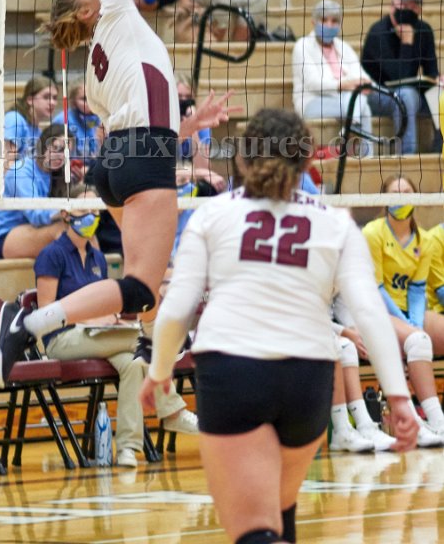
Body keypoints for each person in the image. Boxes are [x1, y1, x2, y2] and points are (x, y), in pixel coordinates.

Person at [0, 0, 235, 389]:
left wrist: (191, 124)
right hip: (139, 160)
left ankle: (156, 373)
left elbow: (133, 129)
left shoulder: (98, 66)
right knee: (143, 287)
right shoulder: (117, 9)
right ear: (85, 10)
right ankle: (29, 324)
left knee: (150, 287)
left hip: (118, 166)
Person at [140, 107, 417, 544]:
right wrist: (399, 396)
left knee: (253, 530)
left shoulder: (211, 215)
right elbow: (369, 311)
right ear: (306, 161)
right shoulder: (336, 222)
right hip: (308, 378)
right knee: (279, 515)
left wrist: (158, 373)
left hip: (232, 370)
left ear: (242, 158)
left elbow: (176, 307)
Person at [35, 187, 198, 469]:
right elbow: (44, 313)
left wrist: (112, 318)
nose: (91, 216)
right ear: (65, 214)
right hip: (61, 339)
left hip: (100, 337)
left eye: (95, 211)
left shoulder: (98, 258)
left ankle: (127, 449)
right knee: (144, 337)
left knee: (134, 363)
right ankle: (172, 411)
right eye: (83, 210)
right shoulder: (51, 255)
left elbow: (103, 303)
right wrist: (87, 319)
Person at [360, 175, 444, 446]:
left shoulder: (424, 240)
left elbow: (418, 290)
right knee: (416, 340)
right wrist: (408, 326)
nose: (401, 197)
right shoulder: (373, 233)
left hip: (409, 311)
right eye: (394, 193)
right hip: (378, 310)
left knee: (420, 335)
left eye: (406, 191)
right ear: (384, 199)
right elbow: (377, 288)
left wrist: (414, 322)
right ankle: (429, 420)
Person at [361, 0, 442, 154]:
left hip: (408, 92)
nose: (408, 11)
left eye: (413, 7)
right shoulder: (378, 33)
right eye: (404, 6)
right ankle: (407, 157)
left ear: (419, 10)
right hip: (377, 94)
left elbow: (431, 70)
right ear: (392, 7)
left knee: (439, 92)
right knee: (405, 95)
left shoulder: (424, 30)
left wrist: (437, 80)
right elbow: (398, 77)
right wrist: (406, 43)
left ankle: (440, 145)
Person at [292, 0, 374, 154]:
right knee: (360, 105)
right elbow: (313, 83)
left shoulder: (344, 47)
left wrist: (364, 83)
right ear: (313, 22)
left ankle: (352, 128)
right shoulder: (302, 46)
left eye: (334, 21)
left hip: (346, 98)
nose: (329, 25)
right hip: (312, 102)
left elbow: (360, 74)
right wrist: (345, 85)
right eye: (324, 20)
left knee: (361, 104)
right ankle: (364, 154)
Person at [0, 123, 73, 259]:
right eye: (57, 148)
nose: (61, 156)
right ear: (43, 145)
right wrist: (65, 211)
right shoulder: (20, 172)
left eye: (67, 153)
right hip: (5, 235)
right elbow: (36, 216)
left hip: (34, 230)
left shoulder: (59, 175)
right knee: (64, 231)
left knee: (79, 230)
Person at [0, 75, 58, 201]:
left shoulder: (36, 130)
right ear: (30, 100)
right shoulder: (14, 120)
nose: (52, 102)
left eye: (55, 98)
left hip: (21, 188)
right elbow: (6, 165)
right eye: (46, 97)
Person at [52, 77, 100, 165]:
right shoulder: (62, 120)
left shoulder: (102, 119)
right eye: (84, 99)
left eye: (93, 98)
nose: (90, 103)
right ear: (73, 102)